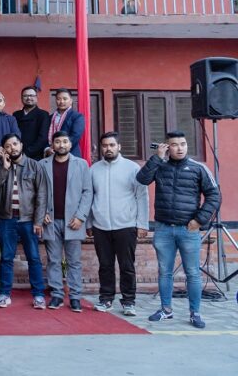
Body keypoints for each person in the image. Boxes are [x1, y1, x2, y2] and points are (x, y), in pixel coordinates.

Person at [137, 130, 221, 329]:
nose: (180, 148)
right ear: (167, 147)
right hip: (163, 229)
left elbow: (214, 195)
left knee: (192, 273)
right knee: (164, 272)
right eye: (174, 145)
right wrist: (157, 158)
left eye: (183, 144)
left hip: (188, 230)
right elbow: (142, 179)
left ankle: (195, 313)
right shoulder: (160, 166)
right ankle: (166, 310)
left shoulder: (198, 168)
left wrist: (199, 220)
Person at [88, 131, 149, 316]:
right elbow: (88, 197)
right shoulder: (93, 170)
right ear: (101, 148)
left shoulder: (132, 168)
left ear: (119, 147)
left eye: (112, 145)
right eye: (105, 145)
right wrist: (89, 223)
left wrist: (142, 223)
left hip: (126, 225)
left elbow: (142, 196)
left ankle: (129, 301)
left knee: (127, 266)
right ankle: (106, 299)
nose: (108, 148)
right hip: (100, 226)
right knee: (105, 265)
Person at [39, 131, 92, 312]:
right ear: (52, 145)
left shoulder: (81, 164)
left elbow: (87, 192)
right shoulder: (43, 164)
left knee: (74, 261)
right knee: (53, 260)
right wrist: (42, 212)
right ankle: (57, 295)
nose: (61, 145)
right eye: (58, 142)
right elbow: (37, 191)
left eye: (65, 142)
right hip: (50, 221)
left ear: (70, 144)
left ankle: (75, 297)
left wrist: (80, 217)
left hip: (73, 221)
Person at [0, 133, 47, 310]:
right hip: (6, 219)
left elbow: (42, 195)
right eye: (8, 146)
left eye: (15, 144)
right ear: (4, 150)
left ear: (21, 145)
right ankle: (4, 294)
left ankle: (38, 295)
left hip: (28, 220)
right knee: (6, 257)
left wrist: (38, 221)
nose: (12, 148)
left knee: (33, 257)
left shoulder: (34, 166)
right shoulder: (1, 166)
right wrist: (4, 168)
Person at [45, 89, 85, 158]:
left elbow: (75, 136)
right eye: (58, 99)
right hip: (51, 155)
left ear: (71, 101)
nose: (61, 101)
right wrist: (47, 148)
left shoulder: (77, 117)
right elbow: (44, 136)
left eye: (65, 99)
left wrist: (58, 148)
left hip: (71, 155)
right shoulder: (50, 117)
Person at [13, 86, 49, 160]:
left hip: (36, 156)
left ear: (36, 98)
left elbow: (42, 139)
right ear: (21, 98)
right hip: (17, 154)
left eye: (31, 95)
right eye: (25, 96)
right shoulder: (16, 115)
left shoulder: (43, 115)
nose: (29, 98)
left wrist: (26, 153)